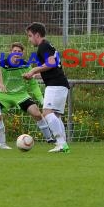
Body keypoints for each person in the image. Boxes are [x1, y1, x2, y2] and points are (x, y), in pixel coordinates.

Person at [23, 22, 70, 153]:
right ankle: (63, 145)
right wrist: (34, 75)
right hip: (59, 83)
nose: (29, 39)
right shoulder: (47, 45)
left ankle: (61, 143)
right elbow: (51, 68)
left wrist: (34, 70)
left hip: (55, 85)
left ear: (37, 35)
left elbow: (51, 63)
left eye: (30, 35)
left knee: (47, 113)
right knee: (55, 115)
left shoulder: (43, 46)